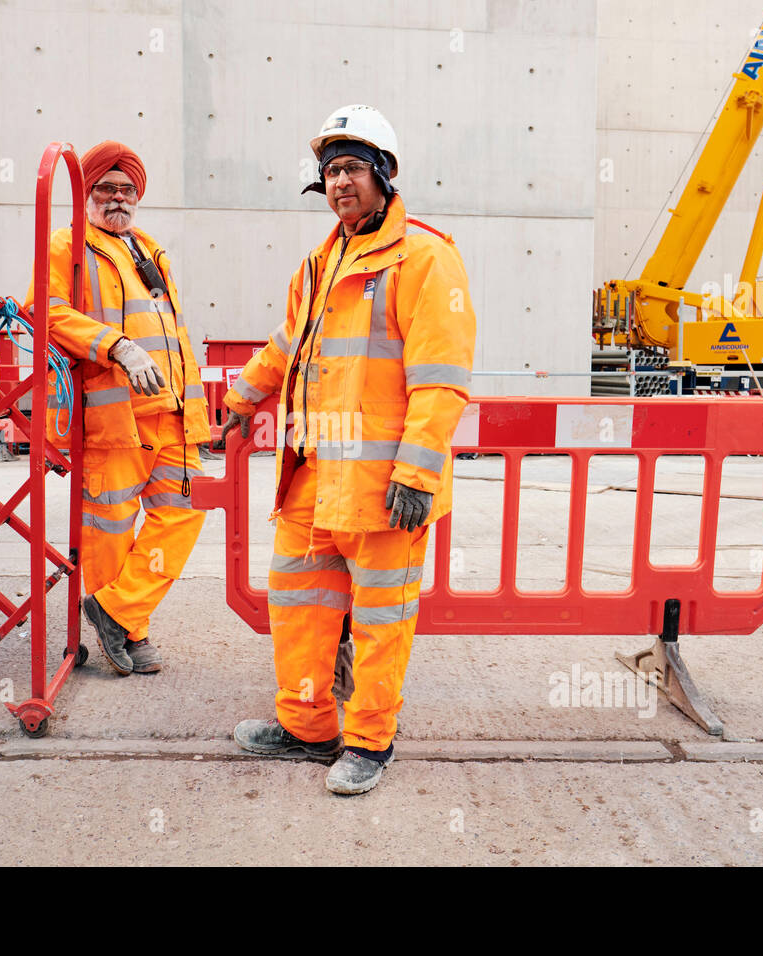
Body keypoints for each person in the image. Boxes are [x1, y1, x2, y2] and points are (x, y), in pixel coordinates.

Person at [222, 105, 476, 794]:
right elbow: (288, 345)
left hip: (383, 486)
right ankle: (307, 727)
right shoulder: (320, 260)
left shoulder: (425, 256)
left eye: (353, 169)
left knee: (380, 618)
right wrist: (241, 399)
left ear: (385, 177)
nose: (340, 183)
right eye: (331, 172)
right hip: (311, 478)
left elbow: (443, 377)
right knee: (299, 607)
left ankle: (369, 741)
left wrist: (419, 470)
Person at [23, 141, 209, 676]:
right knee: (109, 531)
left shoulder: (149, 250)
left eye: (126, 190)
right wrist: (116, 345)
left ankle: (115, 610)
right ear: (87, 195)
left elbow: (175, 334)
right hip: (115, 416)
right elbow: (44, 309)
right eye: (105, 189)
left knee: (184, 514)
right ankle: (132, 632)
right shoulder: (68, 246)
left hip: (170, 416)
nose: (117, 199)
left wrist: (195, 411)